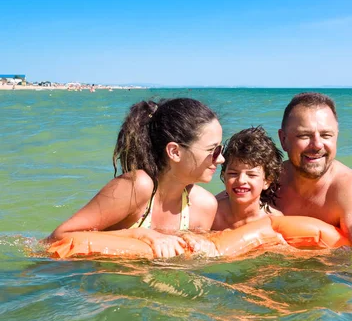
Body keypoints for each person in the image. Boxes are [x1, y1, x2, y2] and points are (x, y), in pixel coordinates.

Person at [45, 98, 225, 258]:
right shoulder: (138, 186)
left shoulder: (204, 205)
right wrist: (136, 234)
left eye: (221, 149)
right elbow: (56, 239)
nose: (221, 159)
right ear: (175, 152)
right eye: (213, 150)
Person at [276, 92, 352, 245]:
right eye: (304, 135)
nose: (317, 145)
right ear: (283, 139)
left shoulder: (350, 190)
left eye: (326, 135)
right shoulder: (266, 182)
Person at [212, 126, 284, 230]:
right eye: (233, 173)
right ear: (224, 176)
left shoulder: (274, 220)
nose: (241, 180)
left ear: (267, 181)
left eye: (251, 175)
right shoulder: (213, 215)